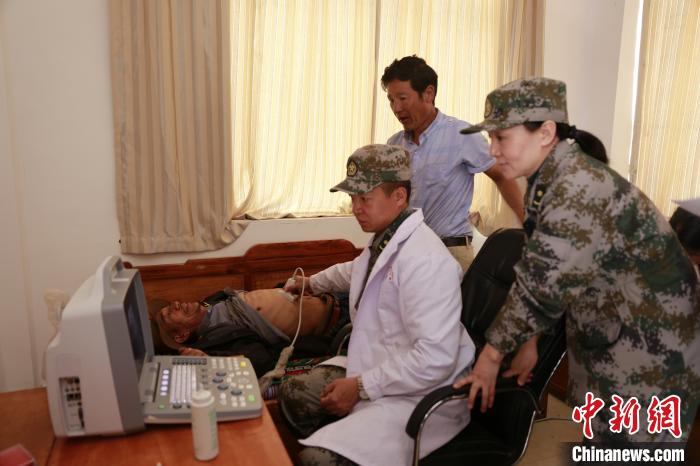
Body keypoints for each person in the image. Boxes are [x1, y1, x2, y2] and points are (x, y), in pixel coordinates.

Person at [453, 77, 700, 444]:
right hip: (611, 333)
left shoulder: (577, 186)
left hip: (652, 349)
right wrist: (529, 341)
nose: (493, 150)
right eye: (491, 138)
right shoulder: (548, 181)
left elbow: (540, 284)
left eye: (501, 137)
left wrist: (490, 357)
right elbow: (542, 267)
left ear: (545, 132)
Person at [278, 144, 475, 466]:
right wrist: (312, 283)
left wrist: (360, 386)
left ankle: (342, 446)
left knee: (316, 458)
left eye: (364, 199)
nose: (355, 208)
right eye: (352, 198)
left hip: (420, 391)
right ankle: (341, 435)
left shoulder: (427, 262)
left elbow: (435, 358)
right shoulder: (386, 239)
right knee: (293, 394)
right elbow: (356, 270)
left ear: (399, 196)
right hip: (382, 363)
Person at [381, 55, 524, 270]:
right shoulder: (394, 145)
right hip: (406, 253)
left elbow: (502, 176)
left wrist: (529, 224)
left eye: (402, 98)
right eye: (391, 100)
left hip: (450, 252)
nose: (396, 108)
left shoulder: (462, 135)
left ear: (428, 93)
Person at [147, 289, 342, 373]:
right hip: (336, 320)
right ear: (181, 335)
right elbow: (259, 357)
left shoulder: (209, 303)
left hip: (327, 295)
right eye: (169, 313)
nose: (175, 303)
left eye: (169, 305)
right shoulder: (214, 339)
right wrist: (209, 359)